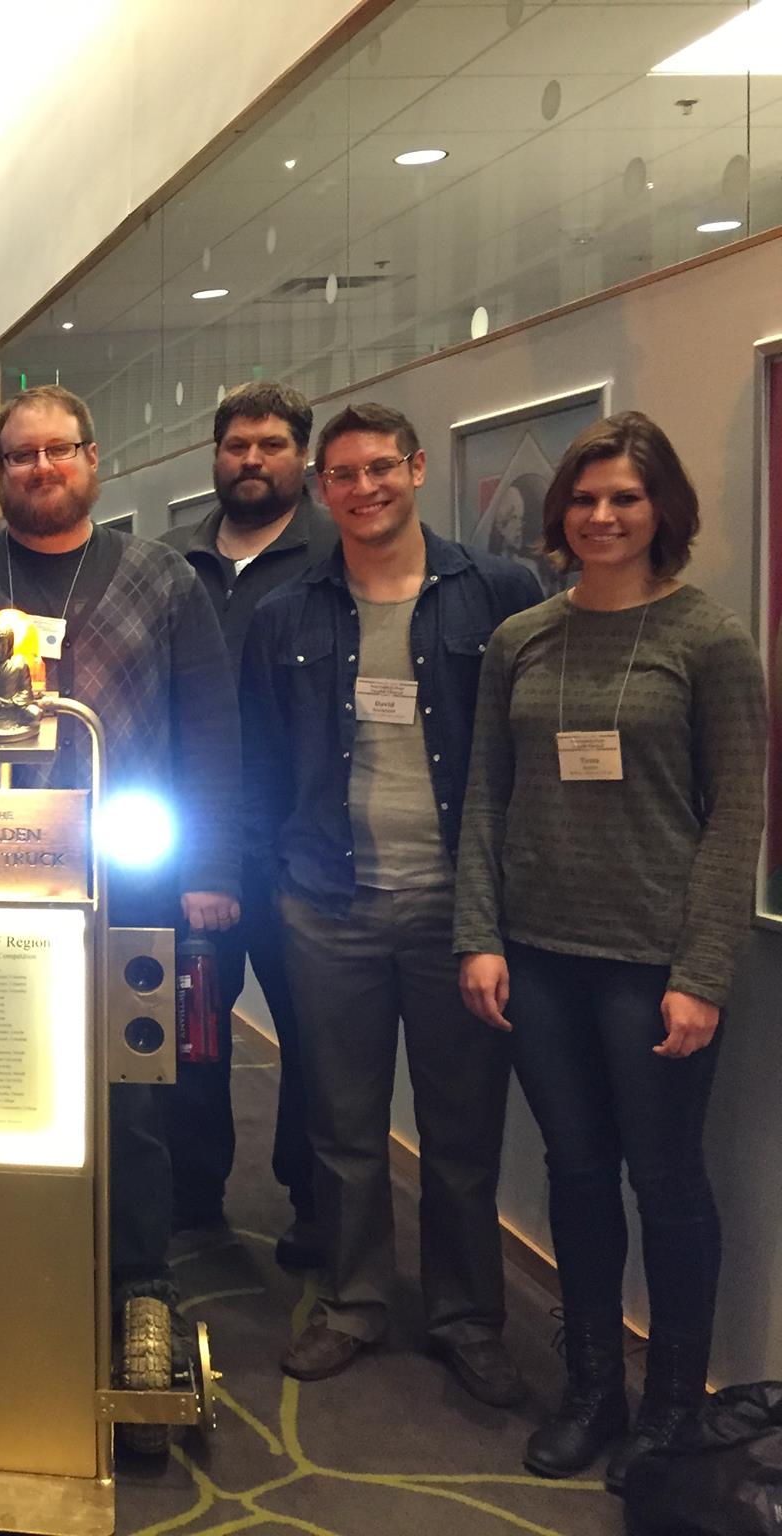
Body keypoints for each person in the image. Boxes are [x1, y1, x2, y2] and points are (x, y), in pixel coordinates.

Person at [0, 384, 241, 1348]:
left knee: (128, 1088)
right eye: (21, 456)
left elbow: (208, 729)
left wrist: (209, 867)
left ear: (93, 458)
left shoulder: (163, 579)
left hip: (128, 878)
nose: (42, 469)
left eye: (59, 452)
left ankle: (138, 1278)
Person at [455, 413, 766, 1487]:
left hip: (651, 966)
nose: (599, 517)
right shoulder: (520, 641)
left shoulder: (708, 642)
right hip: (535, 957)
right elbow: (485, 801)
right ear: (559, 514)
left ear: (659, 512)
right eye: (582, 500)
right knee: (575, 1177)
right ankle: (593, 1389)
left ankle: (673, 1408)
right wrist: (477, 937)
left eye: (622, 499)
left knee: (665, 1182)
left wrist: (701, 974)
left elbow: (735, 818)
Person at [239, 401, 539, 1406]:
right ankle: (354, 1301)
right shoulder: (285, 612)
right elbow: (254, 758)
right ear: (319, 487)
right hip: (326, 899)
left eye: (378, 469)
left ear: (416, 470)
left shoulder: (493, 594)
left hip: (457, 906)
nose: (361, 488)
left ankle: (466, 1318)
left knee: (459, 1131)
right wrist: (271, 873)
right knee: (342, 1124)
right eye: (340, 474)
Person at [157, 381, 338, 1264]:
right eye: (237, 445)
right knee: (191, 1028)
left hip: (302, 844)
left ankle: (311, 1204)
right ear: (215, 455)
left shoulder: (336, 557)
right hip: (189, 843)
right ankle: (194, 1196)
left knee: (312, 1035)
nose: (253, 460)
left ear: (298, 454)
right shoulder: (167, 563)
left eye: (271, 444)